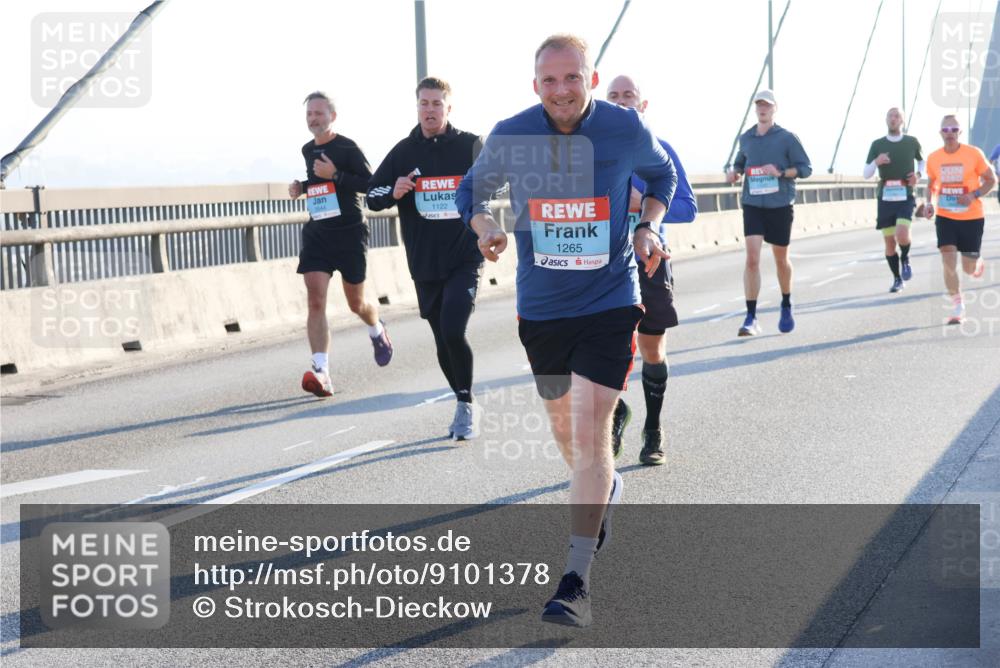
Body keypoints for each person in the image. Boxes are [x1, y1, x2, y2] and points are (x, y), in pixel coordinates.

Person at [456, 34, 676, 627]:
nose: (561, 91)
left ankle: (575, 579)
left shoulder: (623, 129)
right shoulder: (513, 132)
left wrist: (648, 229)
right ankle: (601, 488)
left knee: (590, 424)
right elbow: (469, 189)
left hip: (610, 300)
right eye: (549, 81)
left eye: (572, 78)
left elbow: (663, 180)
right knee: (571, 441)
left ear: (592, 79)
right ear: (536, 86)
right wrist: (484, 226)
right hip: (543, 310)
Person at [367, 77, 483, 440]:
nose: (429, 110)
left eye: (436, 104)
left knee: (453, 328)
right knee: (441, 338)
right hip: (424, 260)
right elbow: (372, 194)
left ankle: (465, 405)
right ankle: (463, 397)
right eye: (424, 103)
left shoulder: (469, 145)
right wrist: (394, 190)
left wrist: (475, 189)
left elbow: (500, 181)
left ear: (449, 108)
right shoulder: (404, 151)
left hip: (465, 255)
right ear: (416, 106)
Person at [605, 74, 698, 467]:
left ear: (643, 106)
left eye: (630, 96)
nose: (622, 101)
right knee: (603, 351)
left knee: (651, 350)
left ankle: (653, 428)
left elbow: (687, 209)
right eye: (614, 96)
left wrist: (643, 203)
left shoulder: (661, 151)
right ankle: (614, 415)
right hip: (601, 265)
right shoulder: (591, 151)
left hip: (649, 262)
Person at [289, 91, 393, 398]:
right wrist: (303, 186)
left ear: (332, 116)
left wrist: (335, 173)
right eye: (309, 114)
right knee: (315, 300)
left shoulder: (347, 147)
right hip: (318, 233)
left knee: (355, 304)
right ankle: (321, 372)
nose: (313, 118)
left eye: (319, 113)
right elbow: (322, 185)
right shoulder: (307, 149)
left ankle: (377, 329)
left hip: (349, 233)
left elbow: (372, 186)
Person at [726, 90, 812, 336]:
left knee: (780, 260)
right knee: (752, 259)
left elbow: (806, 169)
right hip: (753, 204)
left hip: (780, 204)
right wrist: (735, 173)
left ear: (775, 109)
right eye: (759, 105)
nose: (763, 109)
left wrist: (781, 173)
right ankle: (751, 317)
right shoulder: (747, 138)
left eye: (767, 106)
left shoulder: (787, 138)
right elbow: (740, 163)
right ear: (755, 109)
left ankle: (786, 303)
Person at [921, 115, 994, 324]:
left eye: (954, 129)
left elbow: (992, 179)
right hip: (946, 216)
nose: (950, 133)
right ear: (940, 133)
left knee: (969, 268)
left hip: (972, 217)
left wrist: (973, 195)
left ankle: (976, 262)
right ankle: (958, 304)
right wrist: (929, 204)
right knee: (948, 258)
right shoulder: (934, 158)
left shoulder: (974, 154)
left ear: (960, 132)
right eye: (946, 130)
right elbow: (932, 184)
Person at [864, 107, 924, 293]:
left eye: (897, 116)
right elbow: (866, 173)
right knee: (890, 243)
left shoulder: (912, 142)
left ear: (902, 121)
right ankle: (897, 279)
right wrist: (877, 162)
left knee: (902, 234)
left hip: (905, 194)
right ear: (886, 119)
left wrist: (918, 175)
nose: (893, 118)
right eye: (890, 115)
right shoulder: (877, 144)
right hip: (885, 197)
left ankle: (905, 257)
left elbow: (923, 161)